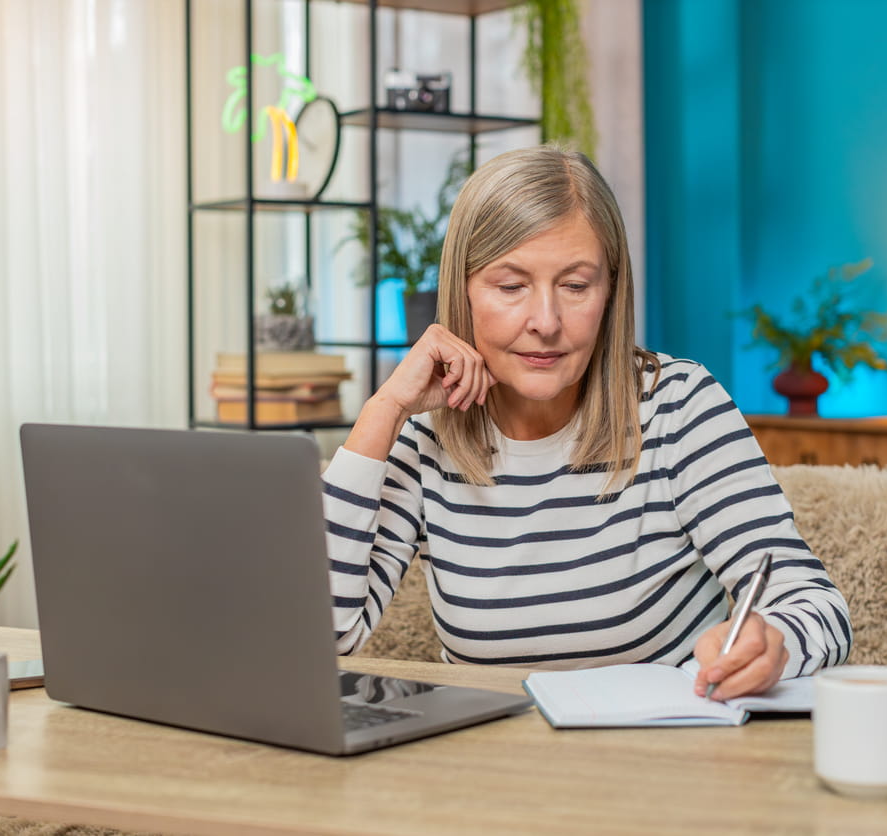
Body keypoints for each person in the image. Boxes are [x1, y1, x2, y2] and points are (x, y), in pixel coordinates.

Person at [322, 145, 850, 701]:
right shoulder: (425, 437)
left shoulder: (678, 405)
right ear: (463, 291)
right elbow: (326, 637)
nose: (546, 322)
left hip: (659, 748)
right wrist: (384, 409)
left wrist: (773, 643)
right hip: (488, 752)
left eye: (575, 286)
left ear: (610, 291)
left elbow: (816, 606)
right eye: (511, 286)